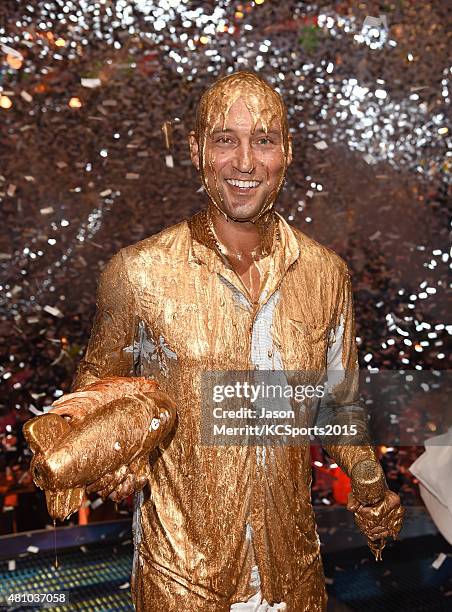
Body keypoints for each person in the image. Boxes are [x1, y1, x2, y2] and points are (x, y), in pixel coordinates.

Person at [47, 72, 404, 611]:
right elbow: (95, 391)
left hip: (294, 575)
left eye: (262, 140)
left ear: (285, 152)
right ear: (195, 150)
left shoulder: (325, 274)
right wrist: (84, 454)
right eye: (224, 139)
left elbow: (337, 403)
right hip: (182, 576)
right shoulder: (139, 272)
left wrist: (372, 489)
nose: (244, 162)